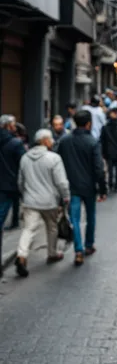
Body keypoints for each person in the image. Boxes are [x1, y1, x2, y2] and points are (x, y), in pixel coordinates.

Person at [15, 129, 70, 277]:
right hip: (49, 201)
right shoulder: (54, 158)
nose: (52, 142)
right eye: (50, 139)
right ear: (45, 141)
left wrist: (24, 194)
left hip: (30, 201)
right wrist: (66, 197)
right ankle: (52, 253)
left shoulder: (25, 157)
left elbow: (20, 182)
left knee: (28, 229)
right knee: (52, 228)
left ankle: (21, 255)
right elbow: (61, 182)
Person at [57, 110, 107, 266]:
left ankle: (78, 250)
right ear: (88, 123)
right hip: (89, 187)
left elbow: (58, 163)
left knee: (75, 219)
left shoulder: (64, 141)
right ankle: (89, 245)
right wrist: (103, 188)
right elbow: (99, 168)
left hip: (71, 186)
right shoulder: (92, 142)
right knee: (90, 217)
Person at [0, 115, 26, 276]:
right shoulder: (16, 144)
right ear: (8, 126)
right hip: (9, 186)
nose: (15, 127)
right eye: (13, 124)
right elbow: (24, 165)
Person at [100, 107, 117, 193]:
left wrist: (103, 152)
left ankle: (111, 184)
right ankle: (116, 185)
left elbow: (102, 141)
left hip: (108, 152)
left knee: (110, 170)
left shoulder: (105, 127)